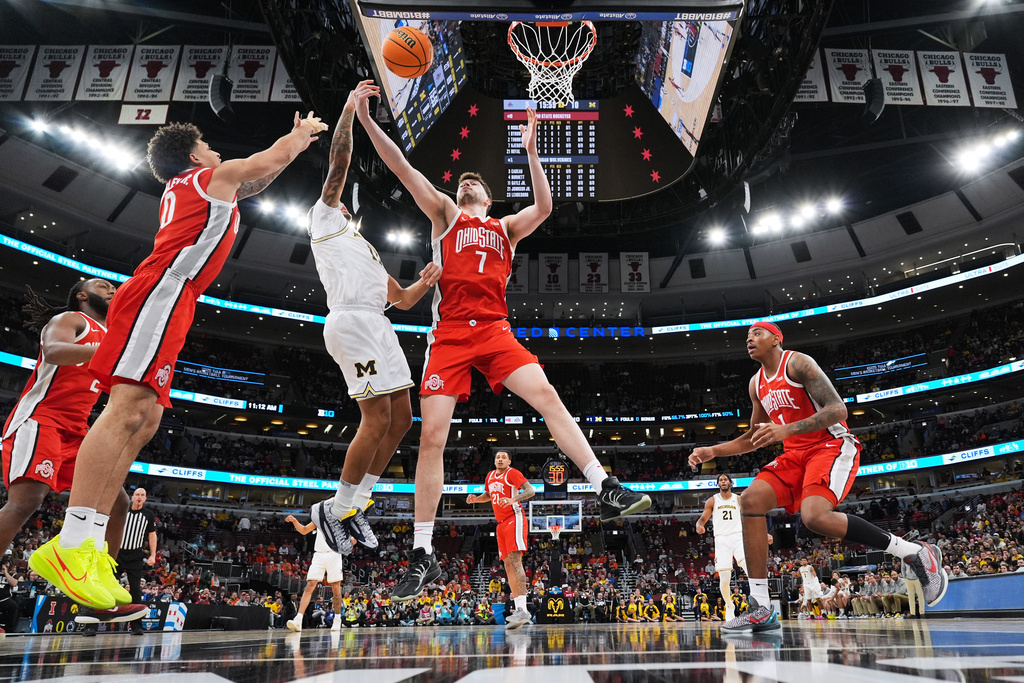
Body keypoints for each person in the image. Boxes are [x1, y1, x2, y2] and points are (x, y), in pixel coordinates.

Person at [350, 79, 650, 601]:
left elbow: (546, 207)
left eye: (474, 184)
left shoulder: (506, 228)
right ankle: (422, 553)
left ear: (488, 198)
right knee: (433, 438)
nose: (466, 185)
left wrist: (533, 152)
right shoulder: (444, 213)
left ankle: (606, 485)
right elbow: (403, 167)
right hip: (448, 336)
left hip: (494, 331)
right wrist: (367, 120)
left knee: (549, 397)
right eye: (462, 181)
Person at [28, 110, 328, 611]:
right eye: (209, 145)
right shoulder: (205, 177)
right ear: (194, 156)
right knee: (125, 411)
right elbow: (263, 161)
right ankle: (73, 540)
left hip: (171, 297)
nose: (215, 151)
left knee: (144, 418)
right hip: (160, 292)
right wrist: (298, 137)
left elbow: (254, 179)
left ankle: (89, 541)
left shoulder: (200, 187)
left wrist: (282, 157)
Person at [688, 321, 947, 633]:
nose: (750, 340)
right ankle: (761, 607)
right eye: (747, 336)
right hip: (795, 455)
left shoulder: (798, 363)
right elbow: (753, 438)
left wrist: (786, 429)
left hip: (831, 445)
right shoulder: (756, 383)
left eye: (757, 333)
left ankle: (915, 553)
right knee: (752, 500)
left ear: (775, 339)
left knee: (814, 517)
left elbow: (838, 410)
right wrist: (713, 451)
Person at [305, 91, 441, 555]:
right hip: (350, 324)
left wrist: (426, 280)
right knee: (376, 416)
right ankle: (334, 506)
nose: (342, 200)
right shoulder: (323, 220)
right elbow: (338, 165)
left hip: (380, 325)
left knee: (402, 419)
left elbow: (401, 300)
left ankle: (357, 503)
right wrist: (347, 111)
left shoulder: (366, 248)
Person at [3, 280, 147, 624]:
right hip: (43, 419)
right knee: (25, 502)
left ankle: (96, 589)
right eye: (103, 286)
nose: (112, 290)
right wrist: (111, 349)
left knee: (119, 504)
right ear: (82, 295)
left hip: (81, 431)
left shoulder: (112, 334)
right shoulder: (72, 320)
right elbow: (54, 352)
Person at [466, 450, 535, 629]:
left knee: (515, 560)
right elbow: (488, 496)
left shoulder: (512, 473)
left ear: (509, 460)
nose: (500, 459)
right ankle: (520, 610)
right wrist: (476, 499)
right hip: (500, 523)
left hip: (514, 517)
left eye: (504, 457)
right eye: (497, 457)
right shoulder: (490, 475)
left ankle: (523, 608)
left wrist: (513, 499)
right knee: (506, 565)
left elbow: (530, 491)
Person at [284, 512, 344, 632]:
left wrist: (351, 541)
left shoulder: (342, 519)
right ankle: (299, 619)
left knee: (336, 588)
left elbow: (352, 538)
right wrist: (295, 521)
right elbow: (304, 530)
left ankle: (337, 619)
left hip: (334, 554)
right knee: (310, 585)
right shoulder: (319, 519)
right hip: (319, 555)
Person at [695, 473, 745, 621]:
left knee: (746, 564)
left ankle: (760, 602)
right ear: (718, 484)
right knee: (724, 578)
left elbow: (749, 517)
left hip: (737, 536)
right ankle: (729, 605)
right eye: (721, 480)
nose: (723, 482)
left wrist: (763, 533)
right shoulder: (713, 500)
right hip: (721, 539)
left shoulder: (738, 499)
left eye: (725, 479)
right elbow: (703, 518)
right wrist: (699, 525)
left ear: (730, 482)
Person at [109, 487, 158, 634]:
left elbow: (152, 535)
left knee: (136, 590)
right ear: (132, 497)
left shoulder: (148, 514)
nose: (139, 497)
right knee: (107, 586)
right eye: (137, 494)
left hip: (135, 555)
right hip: (117, 553)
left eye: (142, 495)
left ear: (145, 499)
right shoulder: (122, 510)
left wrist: (153, 555)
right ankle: (92, 625)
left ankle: (136, 626)